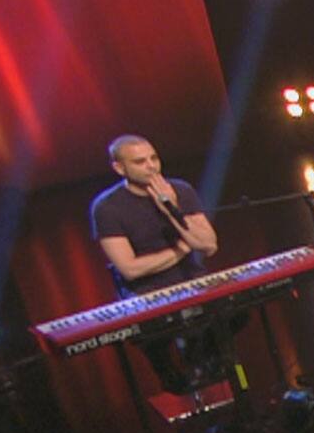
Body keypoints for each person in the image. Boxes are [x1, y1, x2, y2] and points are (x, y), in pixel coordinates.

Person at [90, 133, 222, 392]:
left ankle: (206, 366)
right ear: (119, 168)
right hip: (147, 296)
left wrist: (172, 209)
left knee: (236, 315)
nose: (151, 166)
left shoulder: (179, 191)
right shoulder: (107, 208)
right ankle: (180, 379)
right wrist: (182, 249)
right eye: (140, 162)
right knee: (163, 346)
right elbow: (129, 269)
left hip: (194, 283)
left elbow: (208, 245)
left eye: (154, 158)